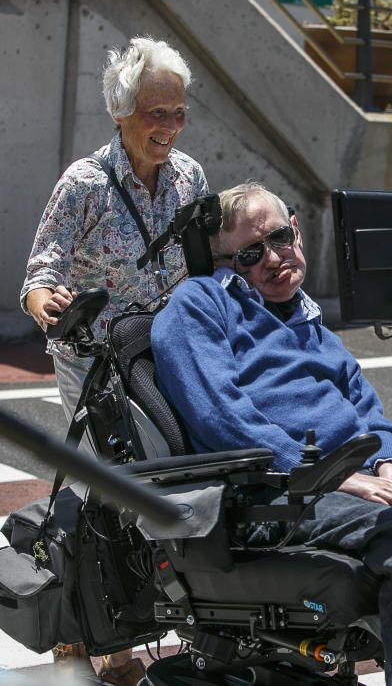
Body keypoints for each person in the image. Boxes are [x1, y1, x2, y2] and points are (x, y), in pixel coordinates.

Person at [151, 182, 392, 686]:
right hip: (278, 494)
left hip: (362, 478)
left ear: (296, 230)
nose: (274, 258)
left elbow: (370, 411)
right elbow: (224, 421)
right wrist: (335, 478)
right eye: (251, 254)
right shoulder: (199, 305)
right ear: (225, 263)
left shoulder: (308, 321)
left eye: (280, 238)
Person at [20, 36, 208, 685]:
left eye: (178, 113)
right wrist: (47, 305)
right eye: (156, 113)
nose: (169, 128)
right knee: (107, 488)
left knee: (168, 477)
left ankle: (159, 618)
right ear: (120, 111)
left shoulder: (189, 178)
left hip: (159, 356)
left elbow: (204, 268)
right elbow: (41, 266)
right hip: (92, 359)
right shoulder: (84, 183)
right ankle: (104, 643)